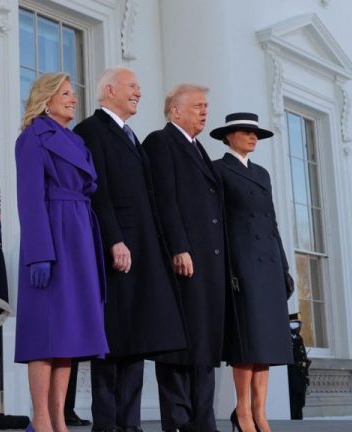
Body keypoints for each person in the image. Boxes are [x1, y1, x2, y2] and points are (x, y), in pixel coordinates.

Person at [73, 67, 186, 432]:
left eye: (139, 86)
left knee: (137, 340)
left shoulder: (131, 136)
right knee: (112, 341)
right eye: (132, 86)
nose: (139, 92)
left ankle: (130, 424)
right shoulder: (90, 131)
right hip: (115, 250)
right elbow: (97, 190)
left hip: (143, 251)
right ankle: (107, 425)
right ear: (108, 90)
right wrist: (113, 239)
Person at [14, 72, 109, 432]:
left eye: (73, 93)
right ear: (47, 98)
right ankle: (41, 418)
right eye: (66, 93)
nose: (73, 99)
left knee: (68, 333)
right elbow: (30, 199)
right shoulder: (32, 139)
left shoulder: (76, 141)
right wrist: (39, 253)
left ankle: (58, 419)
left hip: (80, 234)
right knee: (44, 332)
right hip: (53, 235)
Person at [143, 84, 227, 432]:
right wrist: (179, 246)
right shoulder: (161, 142)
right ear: (174, 111)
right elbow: (164, 199)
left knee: (205, 345)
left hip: (209, 262)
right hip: (184, 260)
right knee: (180, 346)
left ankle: (203, 421)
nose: (204, 112)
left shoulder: (199, 148)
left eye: (206, 106)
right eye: (197, 106)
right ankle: (178, 422)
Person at [210, 112, 294, 432]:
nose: (253, 137)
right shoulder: (219, 170)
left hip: (270, 263)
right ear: (228, 136)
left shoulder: (262, 173)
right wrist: (227, 267)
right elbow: (218, 224)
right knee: (247, 342)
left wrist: (285, 266)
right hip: (242, 262)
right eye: (246, 132)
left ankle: (260, 412)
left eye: (256, 133)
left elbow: (271, 223)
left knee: (267, 344)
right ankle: (242, 411)